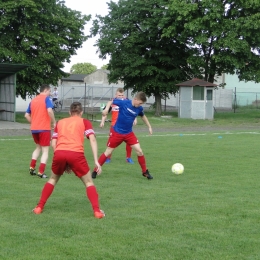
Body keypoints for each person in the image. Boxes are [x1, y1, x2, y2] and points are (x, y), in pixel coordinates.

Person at [32, 102, 105, 219]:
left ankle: (39, 207)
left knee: (52, 179)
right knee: (88, 182)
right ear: (81, 112)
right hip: (76, 153)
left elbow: (53, 143)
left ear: (69, 112)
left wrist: (62, 159)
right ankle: (97, 212)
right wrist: (96, 160)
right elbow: (92, 139)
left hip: (60, 152)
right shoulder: (84, 122)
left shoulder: (60, 122)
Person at [92, 91, 153, 180]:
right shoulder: (124, 102)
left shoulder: (139, 108)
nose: (140, 105)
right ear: (135, 99)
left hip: (129, 134)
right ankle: (95, 170)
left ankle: (145, 172)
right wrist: (106, 109)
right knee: (108, 152)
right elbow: (111, 101)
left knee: (139, 151)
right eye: (140, 103)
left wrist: (149, 126)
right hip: (117, 133)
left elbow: (143, 116)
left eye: (142, 104)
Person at [25, 84, 56, 178]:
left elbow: (26, 115)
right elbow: (50, 110)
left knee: (38, 148)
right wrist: (54, 122)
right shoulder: (46, 99)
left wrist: (33, 123)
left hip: (34, 129)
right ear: (46, 90)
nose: (50, 93)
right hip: (44, 129)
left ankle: (32, 167)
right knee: (45, 150)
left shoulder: (33, 100)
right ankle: (41, 172)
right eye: (49, 91)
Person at [100, 88, 137, 164]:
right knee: (111, 142)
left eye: (122, 95)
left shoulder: (127, 101)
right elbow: (105, 112)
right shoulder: (112, 102)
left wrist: (134, 119)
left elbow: (133, 111)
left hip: (126, 126)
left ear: (124, 95)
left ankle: (128, 158)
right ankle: (108, 158)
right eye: (119, 95)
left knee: (129, 142)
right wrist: (102, 121)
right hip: (114, 126)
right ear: (116, 95)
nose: (121, 96)